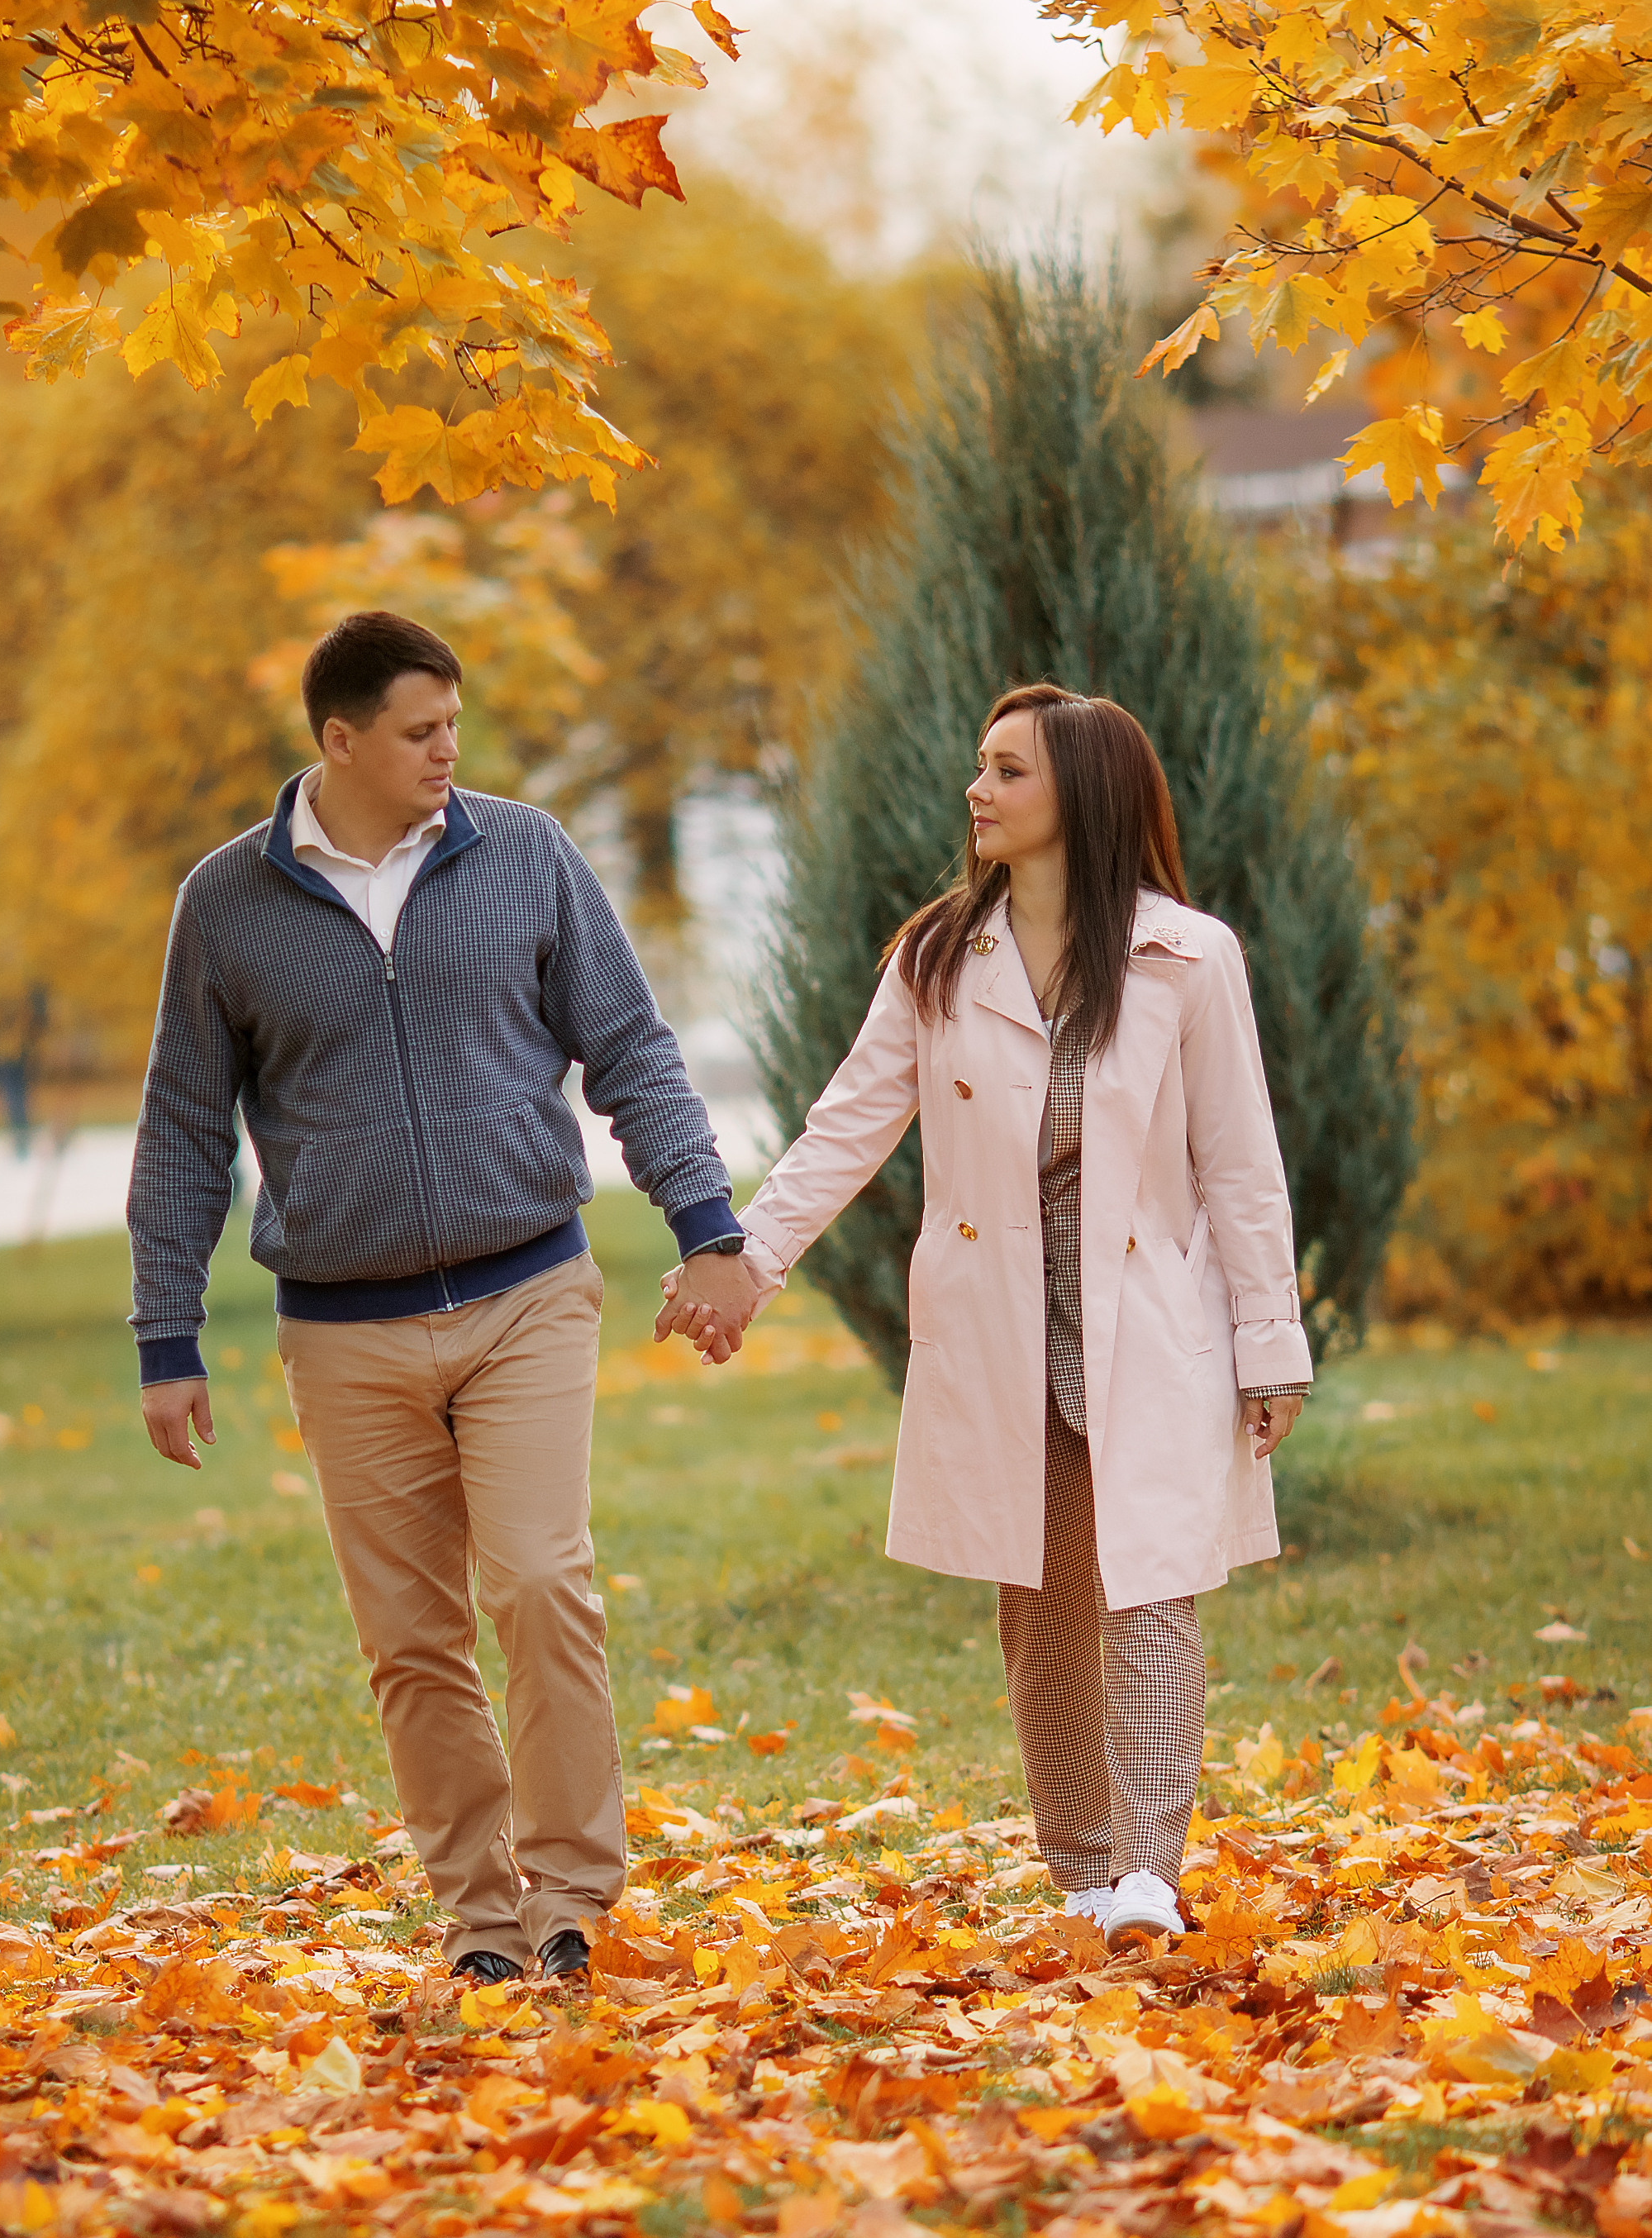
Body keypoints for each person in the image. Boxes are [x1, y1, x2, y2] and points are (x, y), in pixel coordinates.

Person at [130, 610, 753, 1985]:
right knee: (412, 1644)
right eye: (419, 731)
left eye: (453, 725)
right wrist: (165, 1334)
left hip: (527, 1290)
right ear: (338, 740)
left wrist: (709, 1227)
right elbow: (182, 1127)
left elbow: (630, 1050)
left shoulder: (523, 853)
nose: (446, 751)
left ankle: (571, 1899)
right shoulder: (226, 905)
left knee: (538, 1580)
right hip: (342, 1329)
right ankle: (479, 1919)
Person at [659, 681, 1310, 1955]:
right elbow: (845, 1126)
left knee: (1153, 1587)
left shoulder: (1188, 958)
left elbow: (1240, 1165)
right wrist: (746, 1261)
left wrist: (1268, 1345)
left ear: (1084, 794)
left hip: (1149, 1322)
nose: (977, 789)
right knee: (1042, 1600)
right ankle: (1080, 1873)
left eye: (1008, 770)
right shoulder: (940, 957)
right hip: (1002, 1328)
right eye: (981, 765)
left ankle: (1147, 1875)